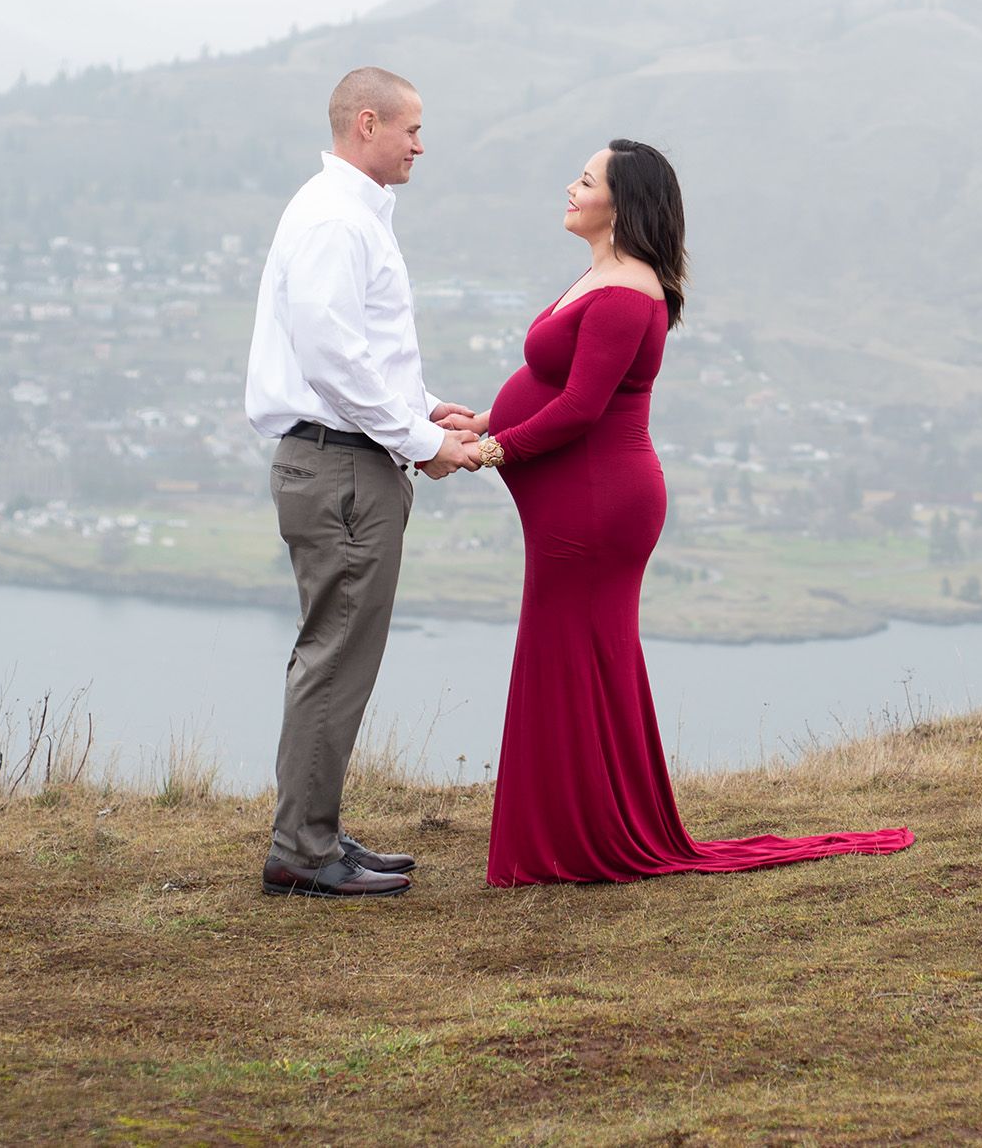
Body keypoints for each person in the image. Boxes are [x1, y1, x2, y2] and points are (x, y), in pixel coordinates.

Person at [470, 139, 914, 885]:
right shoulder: (605, 277)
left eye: (585, 180)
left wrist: (491, 453)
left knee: (575, 654)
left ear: (622, 203)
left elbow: (582, 408)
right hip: (580, 499)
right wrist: (484, 419)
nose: (570, 189)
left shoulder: (624, 290)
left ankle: (582, 836)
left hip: (596, 504)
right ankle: (572, 829)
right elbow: (559, 382)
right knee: (568, 654)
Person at [243, 66, 486, 898]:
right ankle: (302, 850)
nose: (422, 145)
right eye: (412, 129)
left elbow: (362, 354)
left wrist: (423, 408)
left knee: (341, 651)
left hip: (350, 456)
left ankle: (316, 831)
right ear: (368, 123)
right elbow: (332, 359)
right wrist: (420, 440)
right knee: (336, 653)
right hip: (342, 466)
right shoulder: (335, 222)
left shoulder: (350, 216)